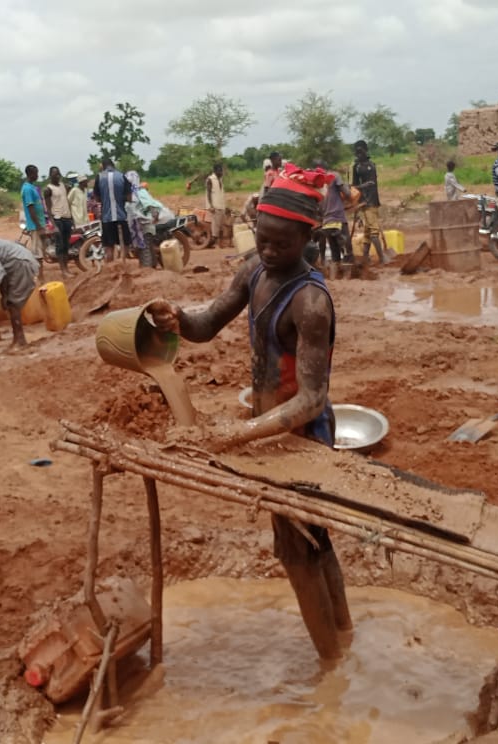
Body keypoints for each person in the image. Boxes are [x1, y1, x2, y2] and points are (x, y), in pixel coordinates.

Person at [147, 165, 352, 666]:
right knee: (314, 540)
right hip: (268, 433)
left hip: (303, 440)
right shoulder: (253, 271)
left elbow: (310, 400)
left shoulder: (310, 303)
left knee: (298, 551)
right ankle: (344, 641)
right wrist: (177, 317)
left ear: (307, 237)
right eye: (262, 239)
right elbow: (208, 323)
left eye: (281, 243)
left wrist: (238, 435)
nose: (269, 250)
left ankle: (331, 670)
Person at [351, 140, 388, 265]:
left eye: (361, 152)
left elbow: (371, 183)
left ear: (365, 151)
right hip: (366, 202)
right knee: (372, 230)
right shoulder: (357, 167)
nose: (359, 154)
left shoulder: (370, 166)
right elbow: (354, 184)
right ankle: (381, 258)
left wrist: (357, 188)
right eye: (357, 152)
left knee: (369, 231)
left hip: (371, 200)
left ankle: (366, 258)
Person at [313, 160, 351, 271]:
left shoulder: (316, 182)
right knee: (346, 250)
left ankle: (335, 275)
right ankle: (349, 276)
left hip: (326, 223)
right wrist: (347, 187)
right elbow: (347, 194)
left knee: (335, 253)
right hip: (338, 219)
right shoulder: (334, 176)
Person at [93, 157, 132, 262]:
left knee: (109, 247)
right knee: (125, 244)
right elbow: (129, 198)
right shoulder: (121, 176)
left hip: (106, 218)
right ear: (113, 165)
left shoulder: (99, 177)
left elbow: (96, 198)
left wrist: (105, 199)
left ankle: (110, 271)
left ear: (103, 166)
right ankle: (123, 265)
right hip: (121, 217)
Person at [44, 166, 74, 276]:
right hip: (57, 219)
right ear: (50, 175)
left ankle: (66, 268)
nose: (56, 176)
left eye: (58, 174)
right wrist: (53, 224)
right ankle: (63, 270)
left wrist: (72, 219)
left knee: (66, 245)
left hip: (66, 218)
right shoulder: (48, 189)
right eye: (54, 174)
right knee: (60, 245)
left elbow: (67, 202)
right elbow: (48, 208)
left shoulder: (63, 186)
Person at [20, 165, 49, 263]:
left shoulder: (33, 187)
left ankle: (40, 274)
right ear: (31, 174)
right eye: (36, 173)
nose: (37, 175)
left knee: (41, 248)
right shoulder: (27, 189)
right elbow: (31, 208)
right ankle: (39, 276)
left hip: (39, 223)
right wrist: (38, 226)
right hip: (35, 225)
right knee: (37, 252)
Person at [205, 163, 227, 248]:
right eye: (219, 170)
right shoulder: (210, 179)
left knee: (221, 226)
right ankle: (214, 244)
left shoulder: (220, 179)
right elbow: (208, 193)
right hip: (215, 206)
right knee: (215, 227)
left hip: (221, 206)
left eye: (221, 170)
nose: (221, 172)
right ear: (215, 171)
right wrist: (210, 206)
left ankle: (220, 244)